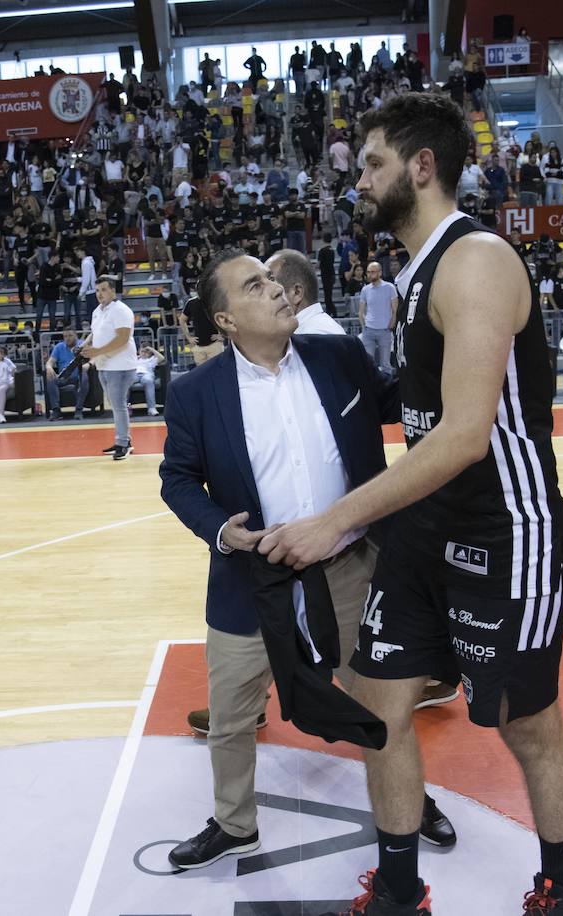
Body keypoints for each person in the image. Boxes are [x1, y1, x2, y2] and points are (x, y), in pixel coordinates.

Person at [258, 93, 563, 916]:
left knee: (524, 725)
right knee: (378, 705)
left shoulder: (475, 261)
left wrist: (335, 520)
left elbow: (464, 436)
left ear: (422, 166)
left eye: (372, 163)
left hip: (504, 531)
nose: (359, 180)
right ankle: (400, 890)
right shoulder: (414, 276)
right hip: (425, 532)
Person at [158, 250, 459, 874]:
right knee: (231, 717)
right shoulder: (193, 393)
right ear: (226, 319)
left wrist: (444, 332)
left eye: (272, 279)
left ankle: (409, 800)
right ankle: (234, 824)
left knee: (379, 700)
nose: (276, 289)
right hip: (250, 579)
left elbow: (405, 400)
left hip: (349, 568)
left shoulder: (338, 356)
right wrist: (221, 531)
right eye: (255, 285)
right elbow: (177, 479)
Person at [81, 276, 136, 460]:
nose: (100, 294)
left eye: (104, 290)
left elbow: (122, 339)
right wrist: (85, 344)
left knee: (118, 405)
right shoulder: (97, 311)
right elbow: (95, 332)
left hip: (120, 365)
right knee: (115, 405)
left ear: (113, 290)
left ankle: (123, 444)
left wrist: (97, 351)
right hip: (104, 365)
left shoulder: (121, 310)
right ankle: (123, 439)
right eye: (97, 290)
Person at [358, 261, 398, 370]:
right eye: (368, 272)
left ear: (380, 273)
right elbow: (361, 311)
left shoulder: (390, 287)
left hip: (384, 330)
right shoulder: (365, 289)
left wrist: (391, 324)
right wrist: (364, 327)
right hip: (369, 330)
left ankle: (387, 381)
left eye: (373, 272)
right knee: (368, 364)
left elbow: (395, 309)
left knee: (385, 364)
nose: (370, 274)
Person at [44, 328, 88, 420]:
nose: (67, 338)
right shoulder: (59, 347)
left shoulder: (82, 345)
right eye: (65, 336)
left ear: (76, 336)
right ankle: (56, 410)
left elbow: (93, 359)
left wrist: (87, 365)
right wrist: (49, 367)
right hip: (64, 377)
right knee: (50, 377)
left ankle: (79, 410)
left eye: (70, 335)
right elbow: (50, 362)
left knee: (84, 377)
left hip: (79, 375)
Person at [134, 344, 163, 416]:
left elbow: (162, 358)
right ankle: (127, 407)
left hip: (146, 375)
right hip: (135, 375)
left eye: (146, 352)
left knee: (149, 381)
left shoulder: (152, 359)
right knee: (126, 382)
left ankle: (151, 408)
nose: (144, 353)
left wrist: (151, 349)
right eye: (142, 351)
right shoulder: (134, 359)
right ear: (139, 351)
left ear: (150, 353)